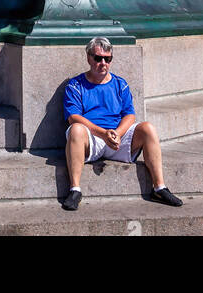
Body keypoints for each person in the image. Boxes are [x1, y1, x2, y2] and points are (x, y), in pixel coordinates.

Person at [62, 35, 182, 211]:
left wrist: (117, 133)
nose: (103, 63)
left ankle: (159, 187)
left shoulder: (120, 84)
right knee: (75, 130)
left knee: (148, 128)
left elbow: (130, 115)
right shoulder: (75, 85)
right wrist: (103, 133)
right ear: (88, 58)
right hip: (91, 138)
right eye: (98, 58)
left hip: (117, 137)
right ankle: (75, 190)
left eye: (107, 59)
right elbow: (73, 117)